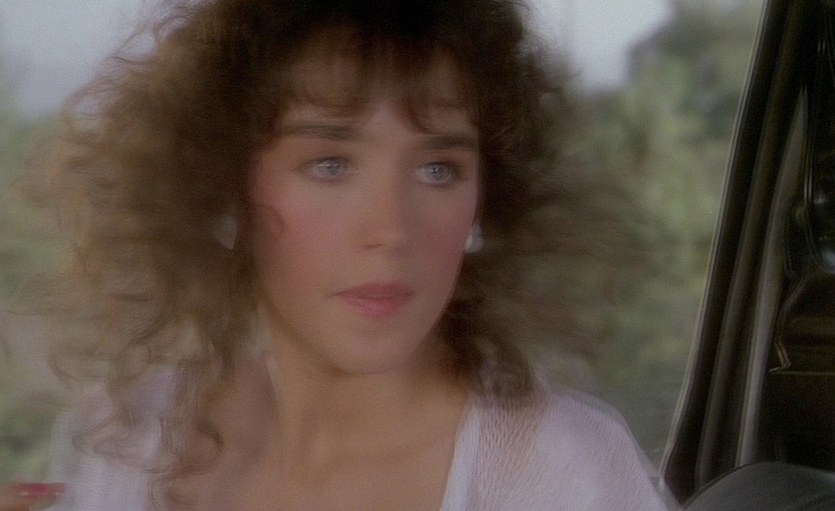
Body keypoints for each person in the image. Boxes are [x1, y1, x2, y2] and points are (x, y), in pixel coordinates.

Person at [0, 0, 668, 509]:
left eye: (438, 170)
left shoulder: (561, 476)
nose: (391, 229)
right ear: (225, 186)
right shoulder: (135, 434)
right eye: (330, 164)